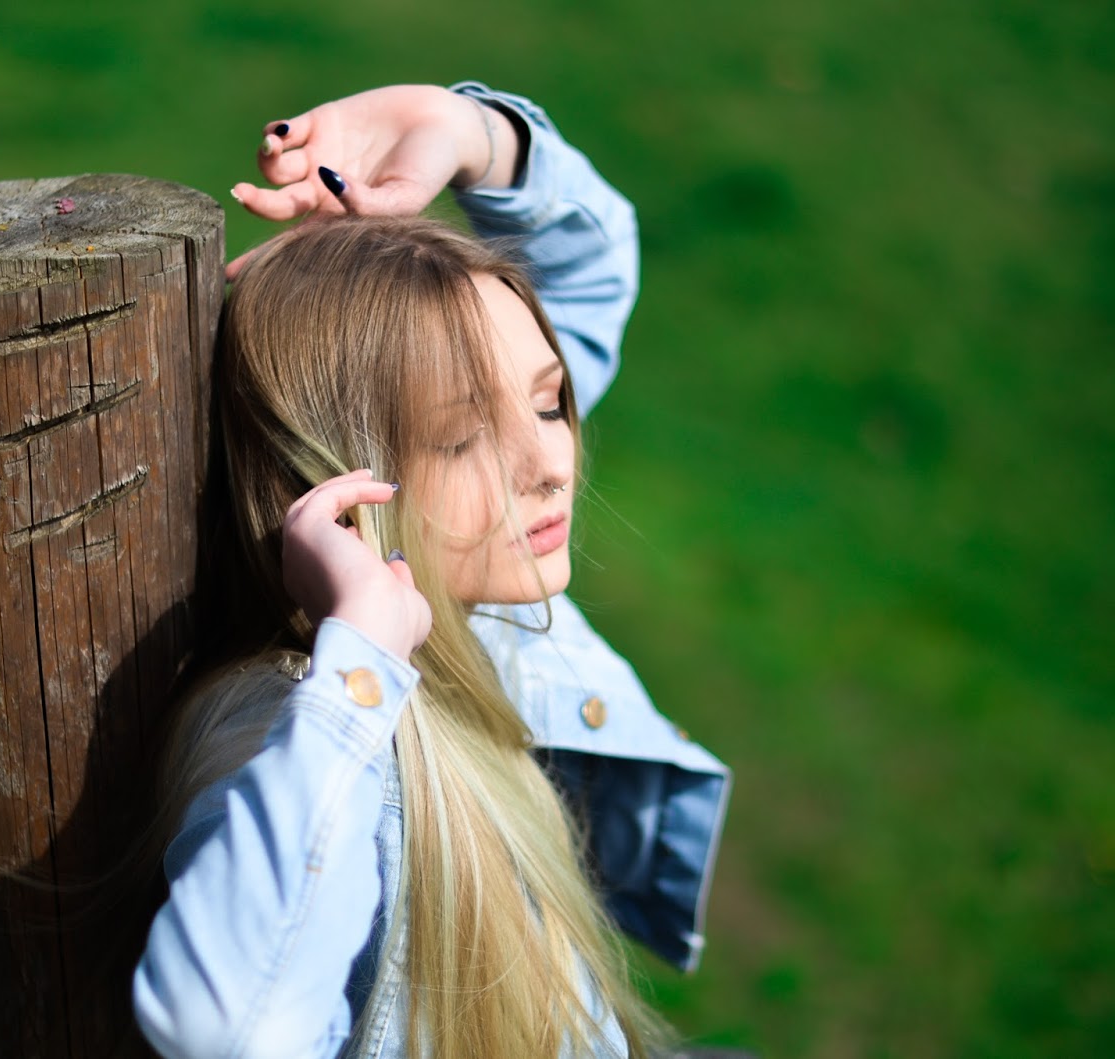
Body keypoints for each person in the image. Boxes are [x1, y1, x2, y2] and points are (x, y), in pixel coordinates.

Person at [132, 81, 731, 1059]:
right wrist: (359, 666)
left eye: (548, 402)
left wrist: (464, 132)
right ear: (340, 490)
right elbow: (220, 1024)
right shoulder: (304, 742)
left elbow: (591, 264)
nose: (547, 463)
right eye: (461, 439)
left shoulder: (457, 583)